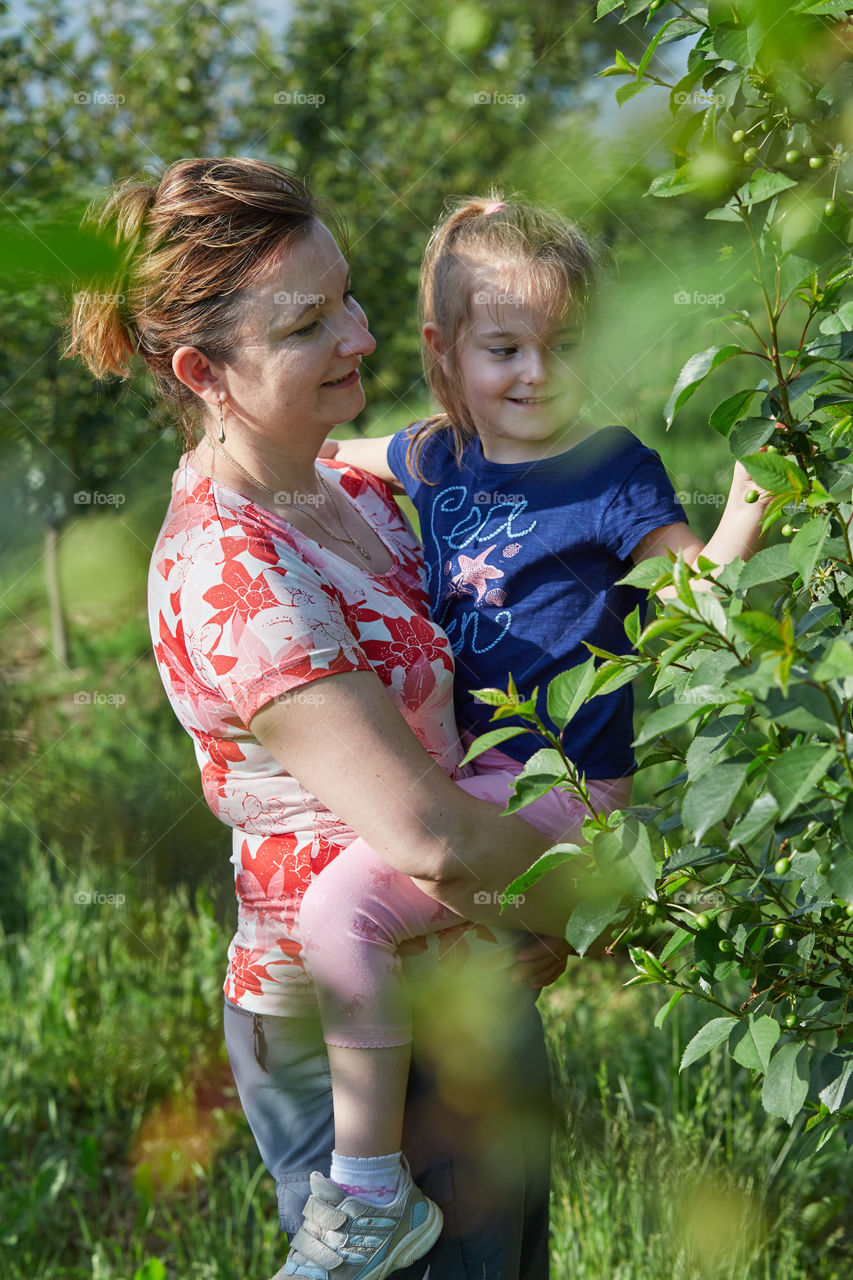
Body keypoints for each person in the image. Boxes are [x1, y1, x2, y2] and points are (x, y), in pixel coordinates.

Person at [65, 159, 595, 1280]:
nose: (359, 333)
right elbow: (429, 838)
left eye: (347, 293)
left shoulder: (336, 486)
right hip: (356, 1034)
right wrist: (591, 907)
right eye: (309, 323)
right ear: (205, 371)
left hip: (460, 971)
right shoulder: (232, 573)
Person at [287, 194, 773, 1277]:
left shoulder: (609, 465)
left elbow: (695, 597)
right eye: (503, 347)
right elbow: (316, 452)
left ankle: (365, 1189)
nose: (535, 375)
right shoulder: (433, 457)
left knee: (342, 908)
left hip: (563, 785)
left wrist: (746, 514)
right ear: (444, 352)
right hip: (477, 782)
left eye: (562, 347)